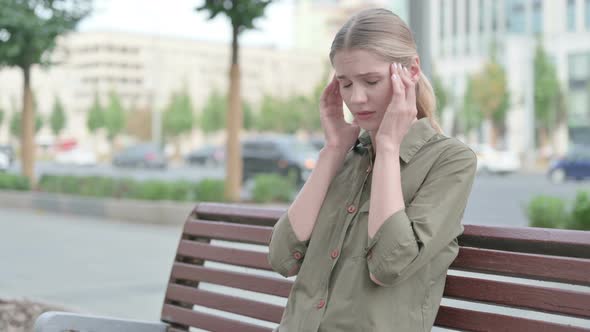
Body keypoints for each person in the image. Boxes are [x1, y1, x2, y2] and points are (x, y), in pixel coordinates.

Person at [268, 7, 477, 332]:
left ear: (411, 70)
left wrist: (389, 148)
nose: (357, 98)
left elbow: (388, 266)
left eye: (371, 80)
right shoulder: (346, 157)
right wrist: (333, 150)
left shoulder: (450, 161)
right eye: (345, 83)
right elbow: (282, 258)